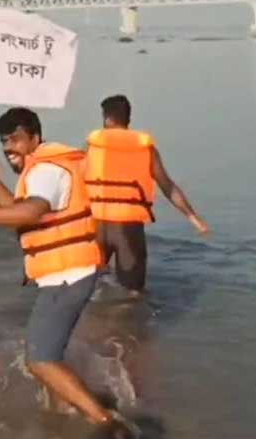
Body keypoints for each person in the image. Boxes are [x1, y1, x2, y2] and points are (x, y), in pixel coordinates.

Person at [0, 107, 137, 439]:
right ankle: (61, 412)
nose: (10, 148)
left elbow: (31, 211)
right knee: (48, 354)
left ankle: (108, 423)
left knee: (39, 359)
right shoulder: (44, 165)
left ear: (34, 137)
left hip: (68, 275)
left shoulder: (46, 169)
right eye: (4, 142)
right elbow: (24, 215)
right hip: (67, 273)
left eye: (16, 140)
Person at [85, 94, 208, 294]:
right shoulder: (146, 150)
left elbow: (73, 180)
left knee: (87, 288)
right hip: (127, 229)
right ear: (128, 120)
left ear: (106, 119)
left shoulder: (92, 147)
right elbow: (167, 186)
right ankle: (132, 325)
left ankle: (92, 323)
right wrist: (193, 218)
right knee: (133, 295)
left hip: (95, 226)